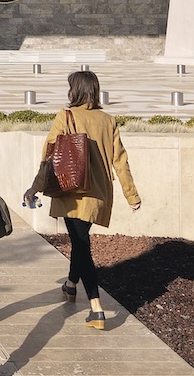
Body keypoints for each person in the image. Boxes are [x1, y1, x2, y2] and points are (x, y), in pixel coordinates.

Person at [22, 68, 139, 331]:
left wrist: (35, 187)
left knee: (82, 246)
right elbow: (120, 160)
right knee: (79, 240)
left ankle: (96, 308)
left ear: (74, 90)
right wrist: (132, 195)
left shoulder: (66, 116)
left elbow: (49, 157)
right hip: (97, 194)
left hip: (70, 191)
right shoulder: (108, 120)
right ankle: (71, 285)